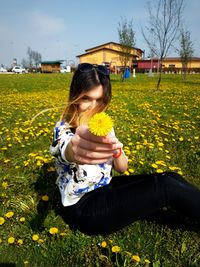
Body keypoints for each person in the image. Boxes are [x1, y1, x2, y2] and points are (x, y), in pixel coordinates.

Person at [50, 63, 200, 235]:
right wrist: (73, 151)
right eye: (86, 98)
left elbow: (122, 168)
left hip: (106, 188)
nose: (93, 106)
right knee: (165, 187)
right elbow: (65, 149)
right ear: (76, 96)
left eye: (99, 99)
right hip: (84, 209)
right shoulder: (63, 129)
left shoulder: (102, 125)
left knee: (170, 177)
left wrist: (117, 150)